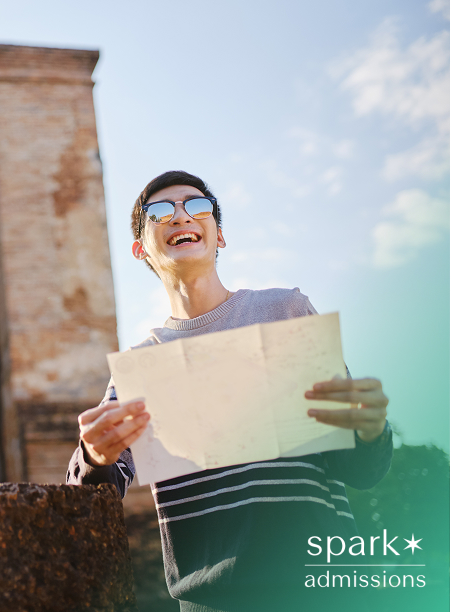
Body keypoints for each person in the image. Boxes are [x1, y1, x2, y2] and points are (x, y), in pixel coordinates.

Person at [66, 170, 392, 611]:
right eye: (159, 211)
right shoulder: (140, 369)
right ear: (141, 249)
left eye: (196, 206)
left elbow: (361, 469)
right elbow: (86, 501)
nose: (180, 216)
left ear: (218, 235)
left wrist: (371, 430)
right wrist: (92, 456)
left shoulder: (286, 310)